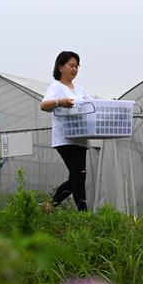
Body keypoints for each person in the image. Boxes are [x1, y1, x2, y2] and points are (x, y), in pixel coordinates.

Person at [40, 51, 90, 211]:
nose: (74, 69)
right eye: (71, 65)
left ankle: (49, 206)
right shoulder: (56, 87)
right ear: (60, 67)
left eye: (77, 66)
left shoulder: (80, 89)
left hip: (80, 138)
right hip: (65, 139)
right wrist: (59, 101)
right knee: (78, 175)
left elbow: (91, 106)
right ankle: (83, 213)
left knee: (78, 176)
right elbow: (44, 105)